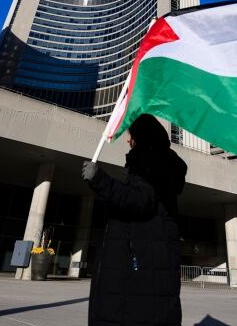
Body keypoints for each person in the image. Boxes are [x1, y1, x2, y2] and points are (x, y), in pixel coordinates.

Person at [81, 114, 188, 326]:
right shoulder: (158, 162)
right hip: (147, 265)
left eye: (131, 136)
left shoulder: (150, 161)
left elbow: (142, 200)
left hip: (138, 269)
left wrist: (100, 180)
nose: (128, 140)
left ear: (142, 137)